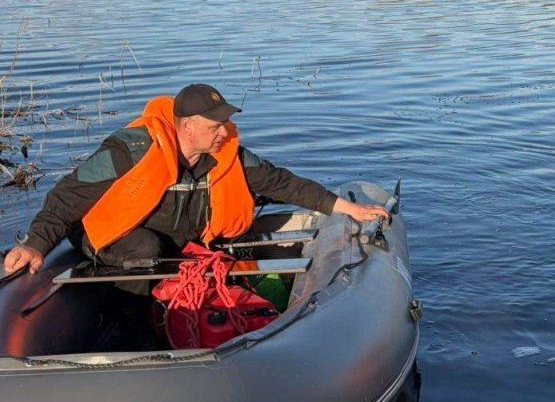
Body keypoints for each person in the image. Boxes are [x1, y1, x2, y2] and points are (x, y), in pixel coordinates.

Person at [4, 84, 388, 274]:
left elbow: (284, 184)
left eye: (225, 123)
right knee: (145, 247)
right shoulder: (129, 151)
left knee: (203, 249)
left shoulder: (228, 156)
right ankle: (132, 319)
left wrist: (348, 208)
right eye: (215, 125)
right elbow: (68, 196)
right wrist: (37, 244)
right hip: (109, 236)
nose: (224, 131)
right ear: (186, 127)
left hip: (176, 243)